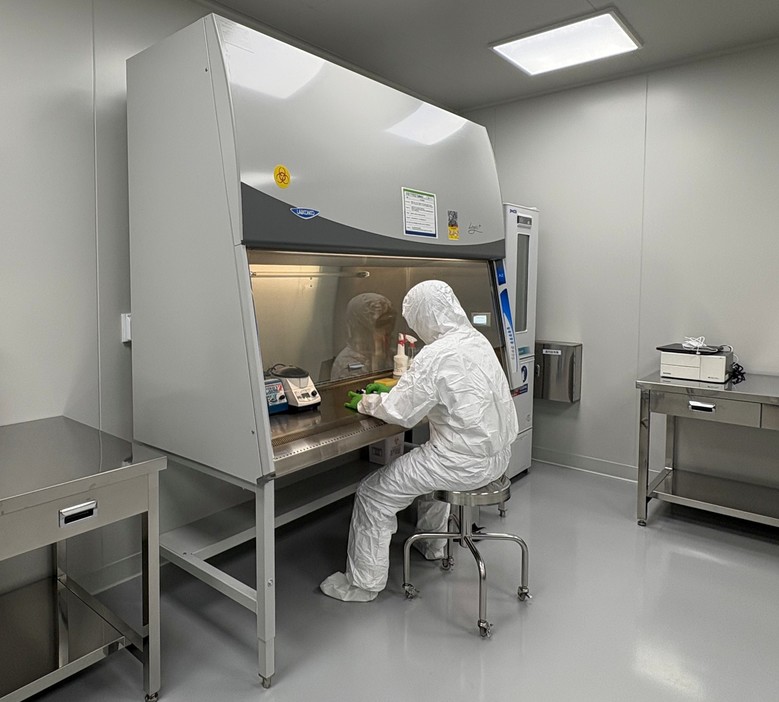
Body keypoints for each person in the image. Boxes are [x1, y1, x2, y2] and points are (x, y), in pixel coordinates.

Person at [320, 280, 519, 601]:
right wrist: (400, 390)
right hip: (498, 456)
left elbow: (402, 413)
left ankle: (363, 584)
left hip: (460, 463)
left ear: (426, 316)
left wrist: (366, 402)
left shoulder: (436, 354)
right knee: (427, 470)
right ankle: (433, 544)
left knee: (373, 494)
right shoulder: (476, 340)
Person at [330, 293, 397, 380]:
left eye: (389, 326)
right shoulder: (348, 364)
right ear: (362, 330)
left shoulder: (392, 355)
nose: (386, 334)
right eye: (380, 326)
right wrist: (376, 361)